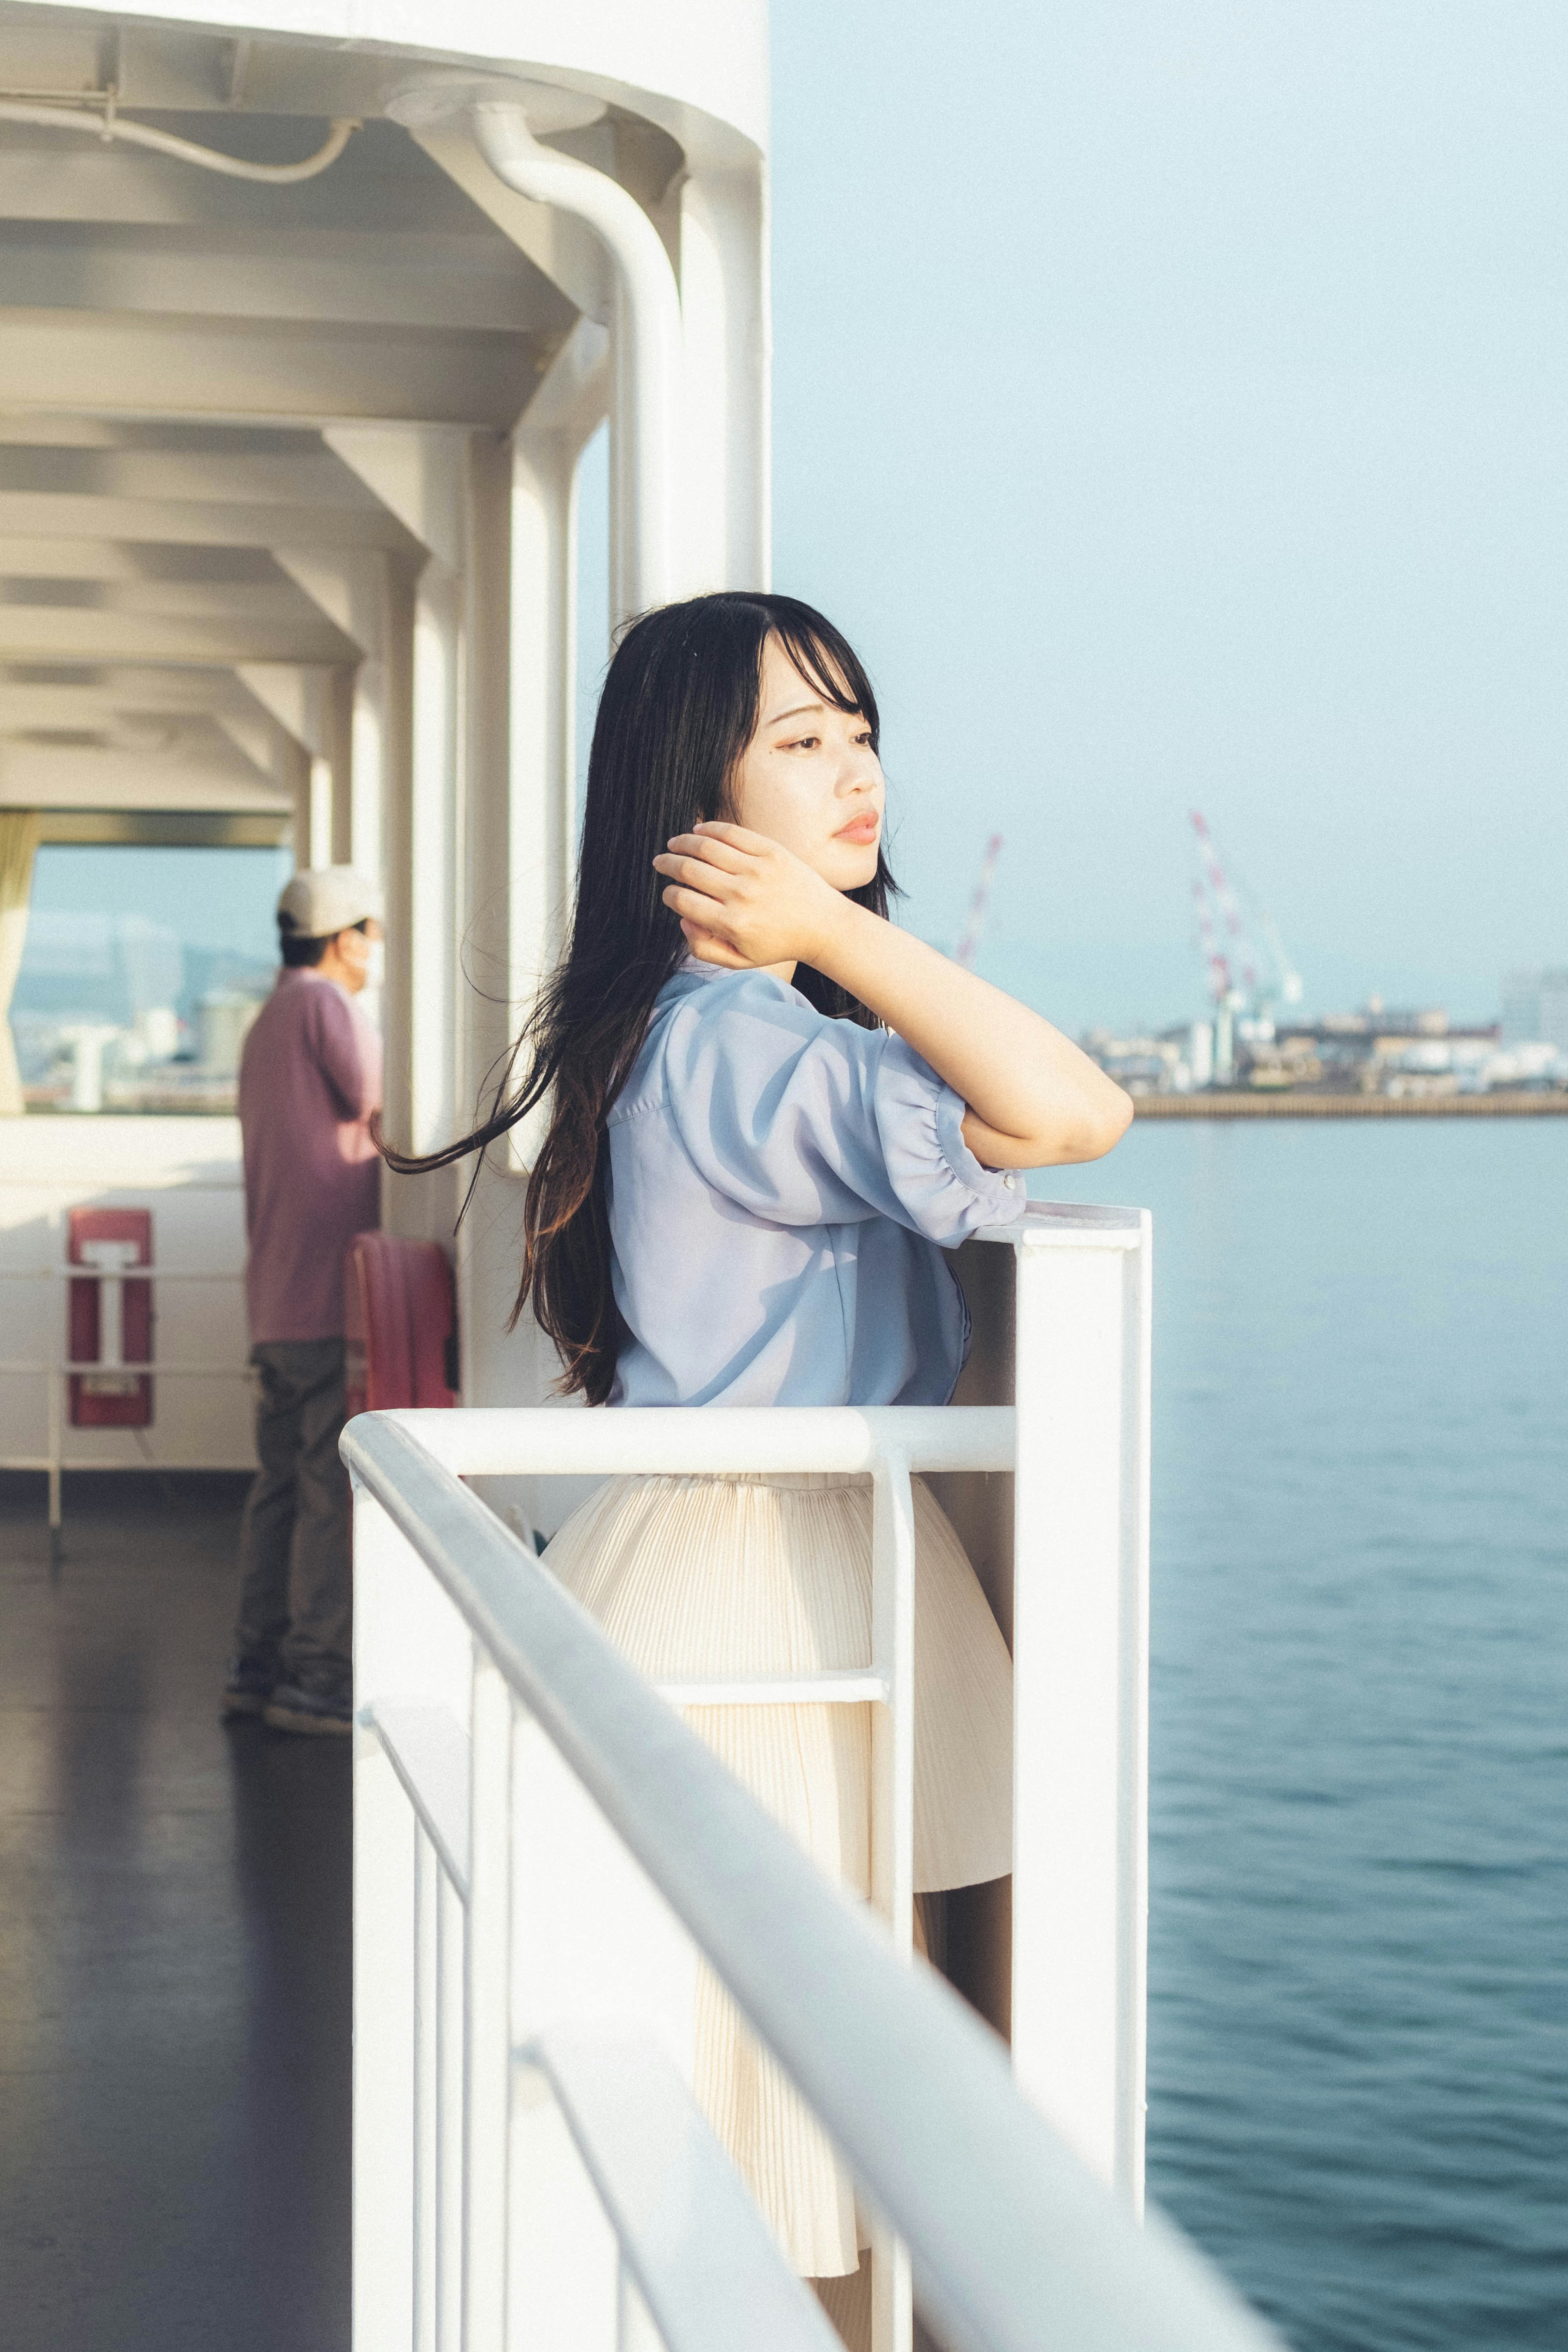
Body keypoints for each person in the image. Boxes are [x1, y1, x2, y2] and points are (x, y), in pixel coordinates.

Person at [385, 595, 1130, 2342]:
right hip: (781, 1586)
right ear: (692, 805)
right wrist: (840, 937)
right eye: (799, 741)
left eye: (861, 731)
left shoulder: (676, 1036)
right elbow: (1071, 1110)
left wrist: (822, 934)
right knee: (795, 2108)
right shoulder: (759, 1047)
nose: (856, 769)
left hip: (719, 1559)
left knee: (750, 2080)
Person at [223, 866, 384, 1737]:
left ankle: (254, 1662)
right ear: (342, 938)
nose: (377, 952)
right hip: (326, 1295)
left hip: (275, 1297)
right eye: (373, 933)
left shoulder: (263, 1022)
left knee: (278, 1487)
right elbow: (377, 1101)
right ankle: (316, 1676)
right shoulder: (324, 1006)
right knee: (325, 1488)